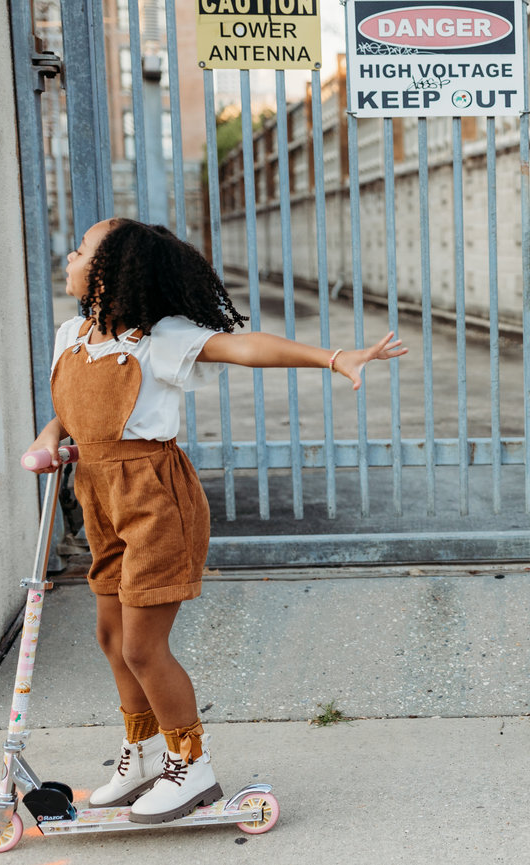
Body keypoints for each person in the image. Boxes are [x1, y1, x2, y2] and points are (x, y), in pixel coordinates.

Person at [26, 218, 408, 823]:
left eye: (80, 252)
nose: (69, 258)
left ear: (109, 274)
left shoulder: (161, 337)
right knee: (109, 637)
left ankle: (191, 764)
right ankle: (144, 753)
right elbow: (68, 416)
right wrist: (48, 441)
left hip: (154, 499)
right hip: (98, 496)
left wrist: (333, 357)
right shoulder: (72, 334)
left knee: (142, 646)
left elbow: (245, 347)